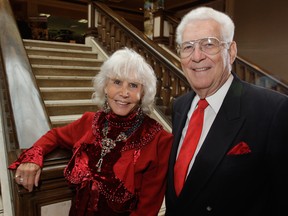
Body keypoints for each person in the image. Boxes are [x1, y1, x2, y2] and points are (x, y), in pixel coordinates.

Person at [9, 47, 173, 216]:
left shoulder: (159, 139)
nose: (124, 93)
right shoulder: (90, 121)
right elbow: (55, 136)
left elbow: (147, 209)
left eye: (133, 85)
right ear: (105, 87)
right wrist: (33, 158)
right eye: (117, 82)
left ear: (143, 92)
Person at [165, 6, 288, 216]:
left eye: (208, 44)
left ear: (230, 52)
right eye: (188, 47)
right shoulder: (180, 106)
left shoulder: (274, 111)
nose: (196, 56)